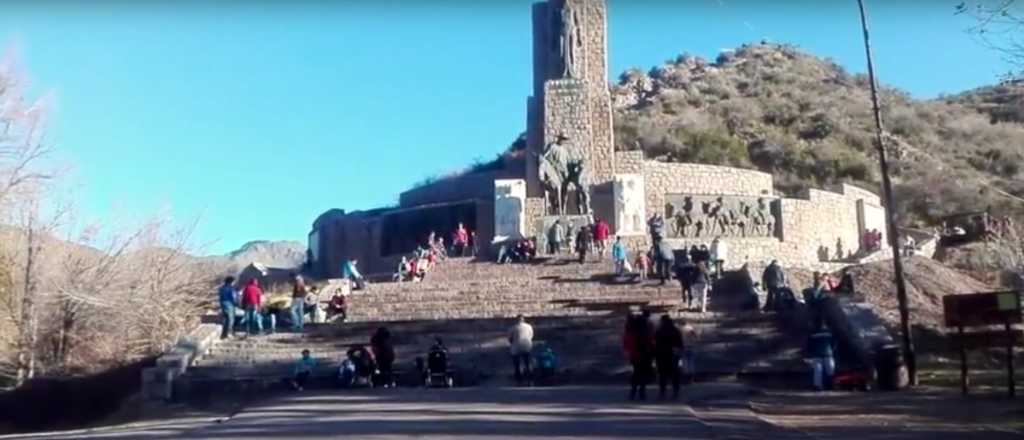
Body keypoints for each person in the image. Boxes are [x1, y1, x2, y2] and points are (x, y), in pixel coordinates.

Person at [623, 311, 655, 401]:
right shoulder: (646, 331)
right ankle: (642, 391)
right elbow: (651, 343)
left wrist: (628, 352)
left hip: (635, 355)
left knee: (637, 372)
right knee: (643, 373)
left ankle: (633, 391)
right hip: (645, 355)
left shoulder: (631, 331)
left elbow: (626, 343)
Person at [654, 314, 684, 400]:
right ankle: (675, 391)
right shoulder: (675, 330)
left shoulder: (659, 331)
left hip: (661, 355)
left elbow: (655, 343)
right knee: (674, 374)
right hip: (673, 355)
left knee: (663, 375)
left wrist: (655, 354)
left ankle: (662, 392)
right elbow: (680, 343)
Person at [806, 324, 835, 391]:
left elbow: (809, 345)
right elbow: (834, 343)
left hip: (817, 355)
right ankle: (830, 385)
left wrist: (810, 354)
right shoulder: (829, 333)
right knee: (830, 370)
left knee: (817, 371)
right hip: (828, 354)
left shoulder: (812, 334)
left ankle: (818, 386)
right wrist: (832, 350)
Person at [509, 315, 535, 385]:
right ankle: (529, 378)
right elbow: (531, 336)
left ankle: (519, 379)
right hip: (527, 346)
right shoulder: (529, 326)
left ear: (516, 320)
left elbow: (510, 339)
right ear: (524, 320)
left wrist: (513, 342)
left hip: (516, 347)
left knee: (517, 364)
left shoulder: (513, 327)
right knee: (527, 363)